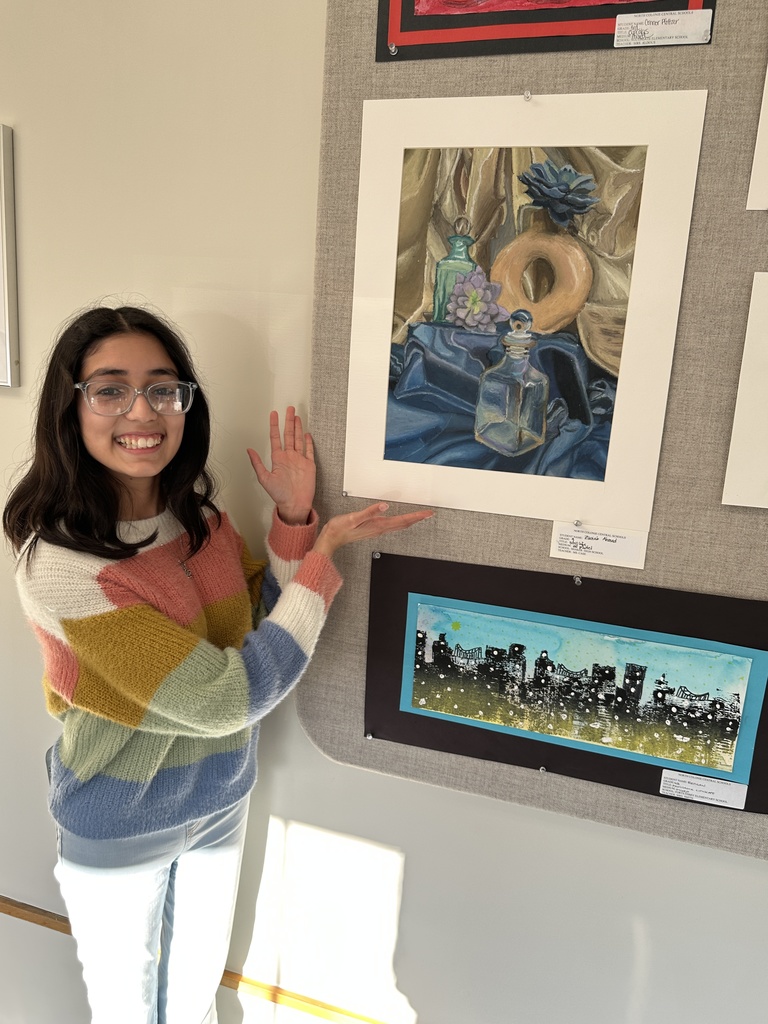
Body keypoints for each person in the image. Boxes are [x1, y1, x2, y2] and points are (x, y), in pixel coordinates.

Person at [2, 304, 433, 1024]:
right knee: (129, 1013)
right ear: (69, 408)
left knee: (196, 997)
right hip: (118, 815)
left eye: (163, 388)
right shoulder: (61, 567)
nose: (142, 409)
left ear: (185, 403)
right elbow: (227, 696)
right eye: (109, 389)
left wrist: (294, 523)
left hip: (218, 797)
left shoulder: (196, 516)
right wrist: (322, 562)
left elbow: (254, 623)